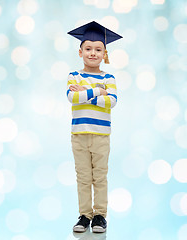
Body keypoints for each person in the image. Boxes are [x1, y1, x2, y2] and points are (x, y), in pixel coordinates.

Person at [66, 21, 122, 233]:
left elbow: (113, 101)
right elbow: (73, 97)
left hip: (101, 136)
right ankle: (84, 216)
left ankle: (99, 215)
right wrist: (99, 92)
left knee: (99, 176)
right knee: (82, 177)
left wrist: (87, 92)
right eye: (88, 49)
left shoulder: (109, 77)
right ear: (80, 52)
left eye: (98, 49)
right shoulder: (74, 76)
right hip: (79, 134)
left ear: (104, 53)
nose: (93, 53)